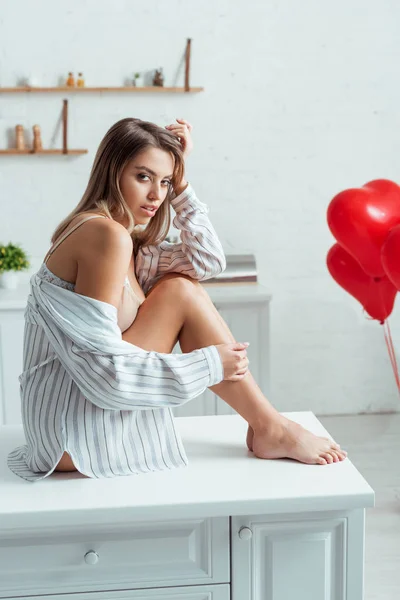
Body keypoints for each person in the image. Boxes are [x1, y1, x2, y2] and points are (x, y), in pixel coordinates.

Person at [7, 117, 346, 482]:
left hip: (66, 422)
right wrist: (209, 364)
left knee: (180, 286)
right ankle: (269, 425)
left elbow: (208, 262)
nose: (157, 195)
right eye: (143, 177)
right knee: (179, 291)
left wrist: (182, 183)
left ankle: (269, 425)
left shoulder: (129, 243)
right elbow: (103, 376)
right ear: (112, 171)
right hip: (68, 435)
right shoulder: (105, 235)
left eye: (165, 181)